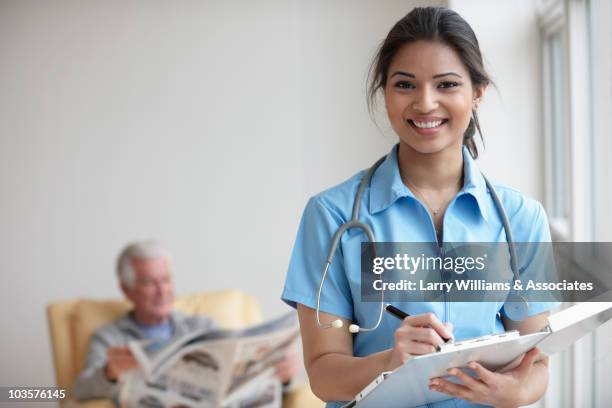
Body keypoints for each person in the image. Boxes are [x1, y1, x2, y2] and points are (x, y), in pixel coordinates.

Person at [282, 7, 557, 408]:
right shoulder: (332, 216)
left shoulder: (521, 219)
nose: (425, 103)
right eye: (405, 85)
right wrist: (393, 362)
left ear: (477, 93)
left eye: (446, 84)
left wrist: (514, 393)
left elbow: (536, 364)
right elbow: (324, 374)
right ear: (385, 93)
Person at [74, 240, 299, 402]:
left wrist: (283, 375)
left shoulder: (202, 327)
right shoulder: (110, 337)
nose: (162, 291)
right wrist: (109, 373)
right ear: (127, 289)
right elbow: (80, 390)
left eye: (166, 280)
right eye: (149, 282)